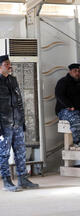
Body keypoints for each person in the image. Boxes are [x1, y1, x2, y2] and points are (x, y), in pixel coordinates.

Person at [0, 55, 39, 192]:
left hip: (16, 122)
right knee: (4, 154)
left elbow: (19, 102)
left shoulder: (13, 80)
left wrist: (22, 121)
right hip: (4, 124)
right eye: (6, 64)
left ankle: (23, 178)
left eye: (9, 64)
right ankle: (7, 181)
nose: (9, 66)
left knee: (20, 152)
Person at [55, 63, 80, 147]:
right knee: (77, 120)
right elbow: (59, 95)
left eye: (79, 71)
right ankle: (77, 141)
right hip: (65, 110)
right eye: (75, 71)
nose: (77, 73)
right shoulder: (63, 82)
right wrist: (70, 106)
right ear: (70, 71)